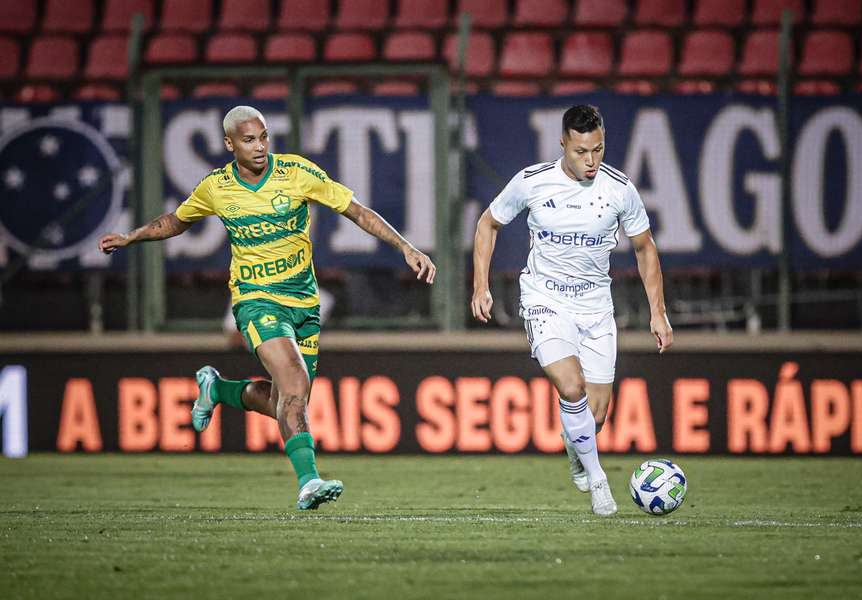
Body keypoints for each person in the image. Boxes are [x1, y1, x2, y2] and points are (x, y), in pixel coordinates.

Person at [100, 106, 436, 510]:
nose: (259, 147)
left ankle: (218, 388)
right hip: (256, 298)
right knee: (295, 383)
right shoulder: (216, 187)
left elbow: (356, 211)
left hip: (303, 302)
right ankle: (309, 481)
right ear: (229, 144)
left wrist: (405, 246)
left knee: (286, 402)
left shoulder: (296, 173)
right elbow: (177, 220)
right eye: (248, 140)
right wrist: (132, 236)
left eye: (263, 137)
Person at [470, 104, 673, 516]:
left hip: (596, 306)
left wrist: (658, 311)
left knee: (595, 415)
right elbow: (487, 224)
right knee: (570, 387)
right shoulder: (531, 182)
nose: (591, 160)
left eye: (597, 150)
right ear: (563, 144)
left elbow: (644, 247)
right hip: (545, 299)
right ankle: (598, 480)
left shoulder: (619, 189)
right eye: (581, 151)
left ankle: (576, 446)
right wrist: (480, 286)